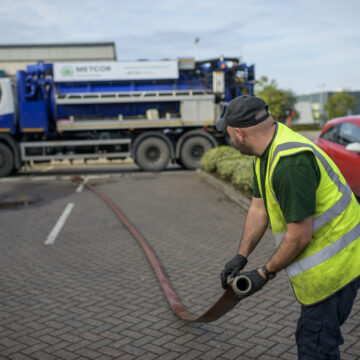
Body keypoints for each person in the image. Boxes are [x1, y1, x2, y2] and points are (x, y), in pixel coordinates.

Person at [217, 95, 360, 360]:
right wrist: (241, 255)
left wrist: (263, 273)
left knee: (316, 346)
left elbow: (298, 235)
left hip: (338, 267)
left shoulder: (289, 163)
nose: (229, 139)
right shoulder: (265, 154)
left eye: (228, 133)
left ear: (239, 133)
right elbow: (259, 209)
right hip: (330, 264)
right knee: (313, 339)